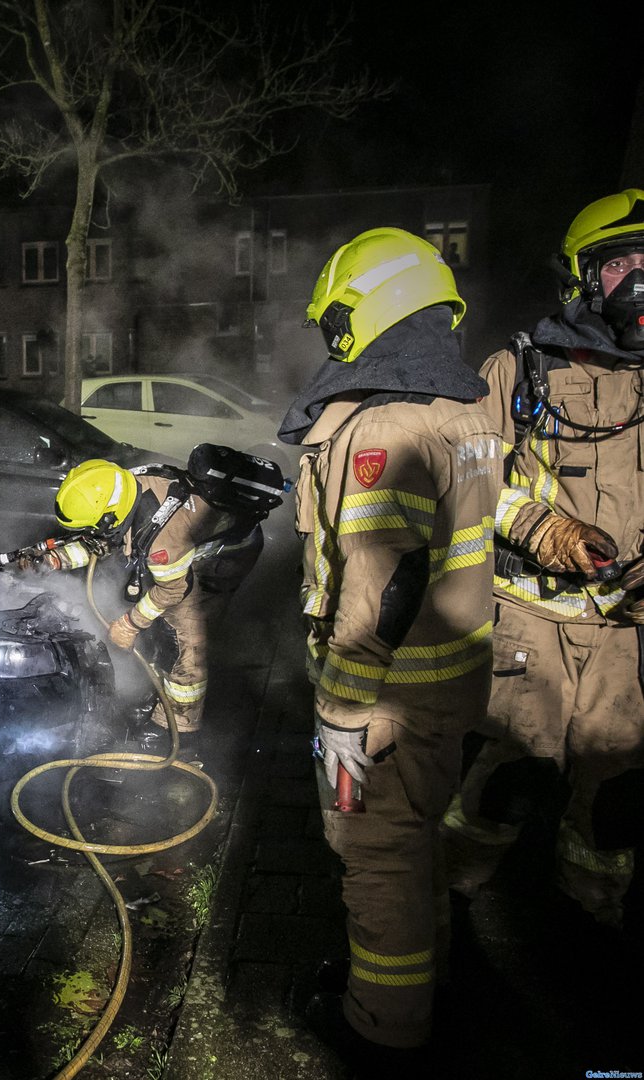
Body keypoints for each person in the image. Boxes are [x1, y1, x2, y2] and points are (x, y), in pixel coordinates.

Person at [278, 227, 499, 1058]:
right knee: (416, 843)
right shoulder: (464, 410)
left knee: (375, 858)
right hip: (450, 689)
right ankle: (419, 978)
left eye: (337, 320)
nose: (332, 341)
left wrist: (340, 703)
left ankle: (382, 1027)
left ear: (372, 309)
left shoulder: (386, 430)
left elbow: (382, 584)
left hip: (384, 704)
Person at [442, 189, 644, 929]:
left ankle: (591, 918)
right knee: (505, 781)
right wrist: (544, 530)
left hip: (628, 639)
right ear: (581, 276)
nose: (642, 281)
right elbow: (465, 481)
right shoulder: (518, 373)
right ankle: (447, 905)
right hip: (531, 625)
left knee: (617, 797)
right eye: (624, 264)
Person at [53, 454, 265, 754]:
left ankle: (177, 731)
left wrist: (130, 624)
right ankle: (157, 688)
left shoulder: (164, 542)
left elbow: (173, 589)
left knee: (185, 641)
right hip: (183, 554)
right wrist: (57, 558)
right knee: (157, 625)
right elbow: (104, 538)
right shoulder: (126, 488)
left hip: (222, 559)